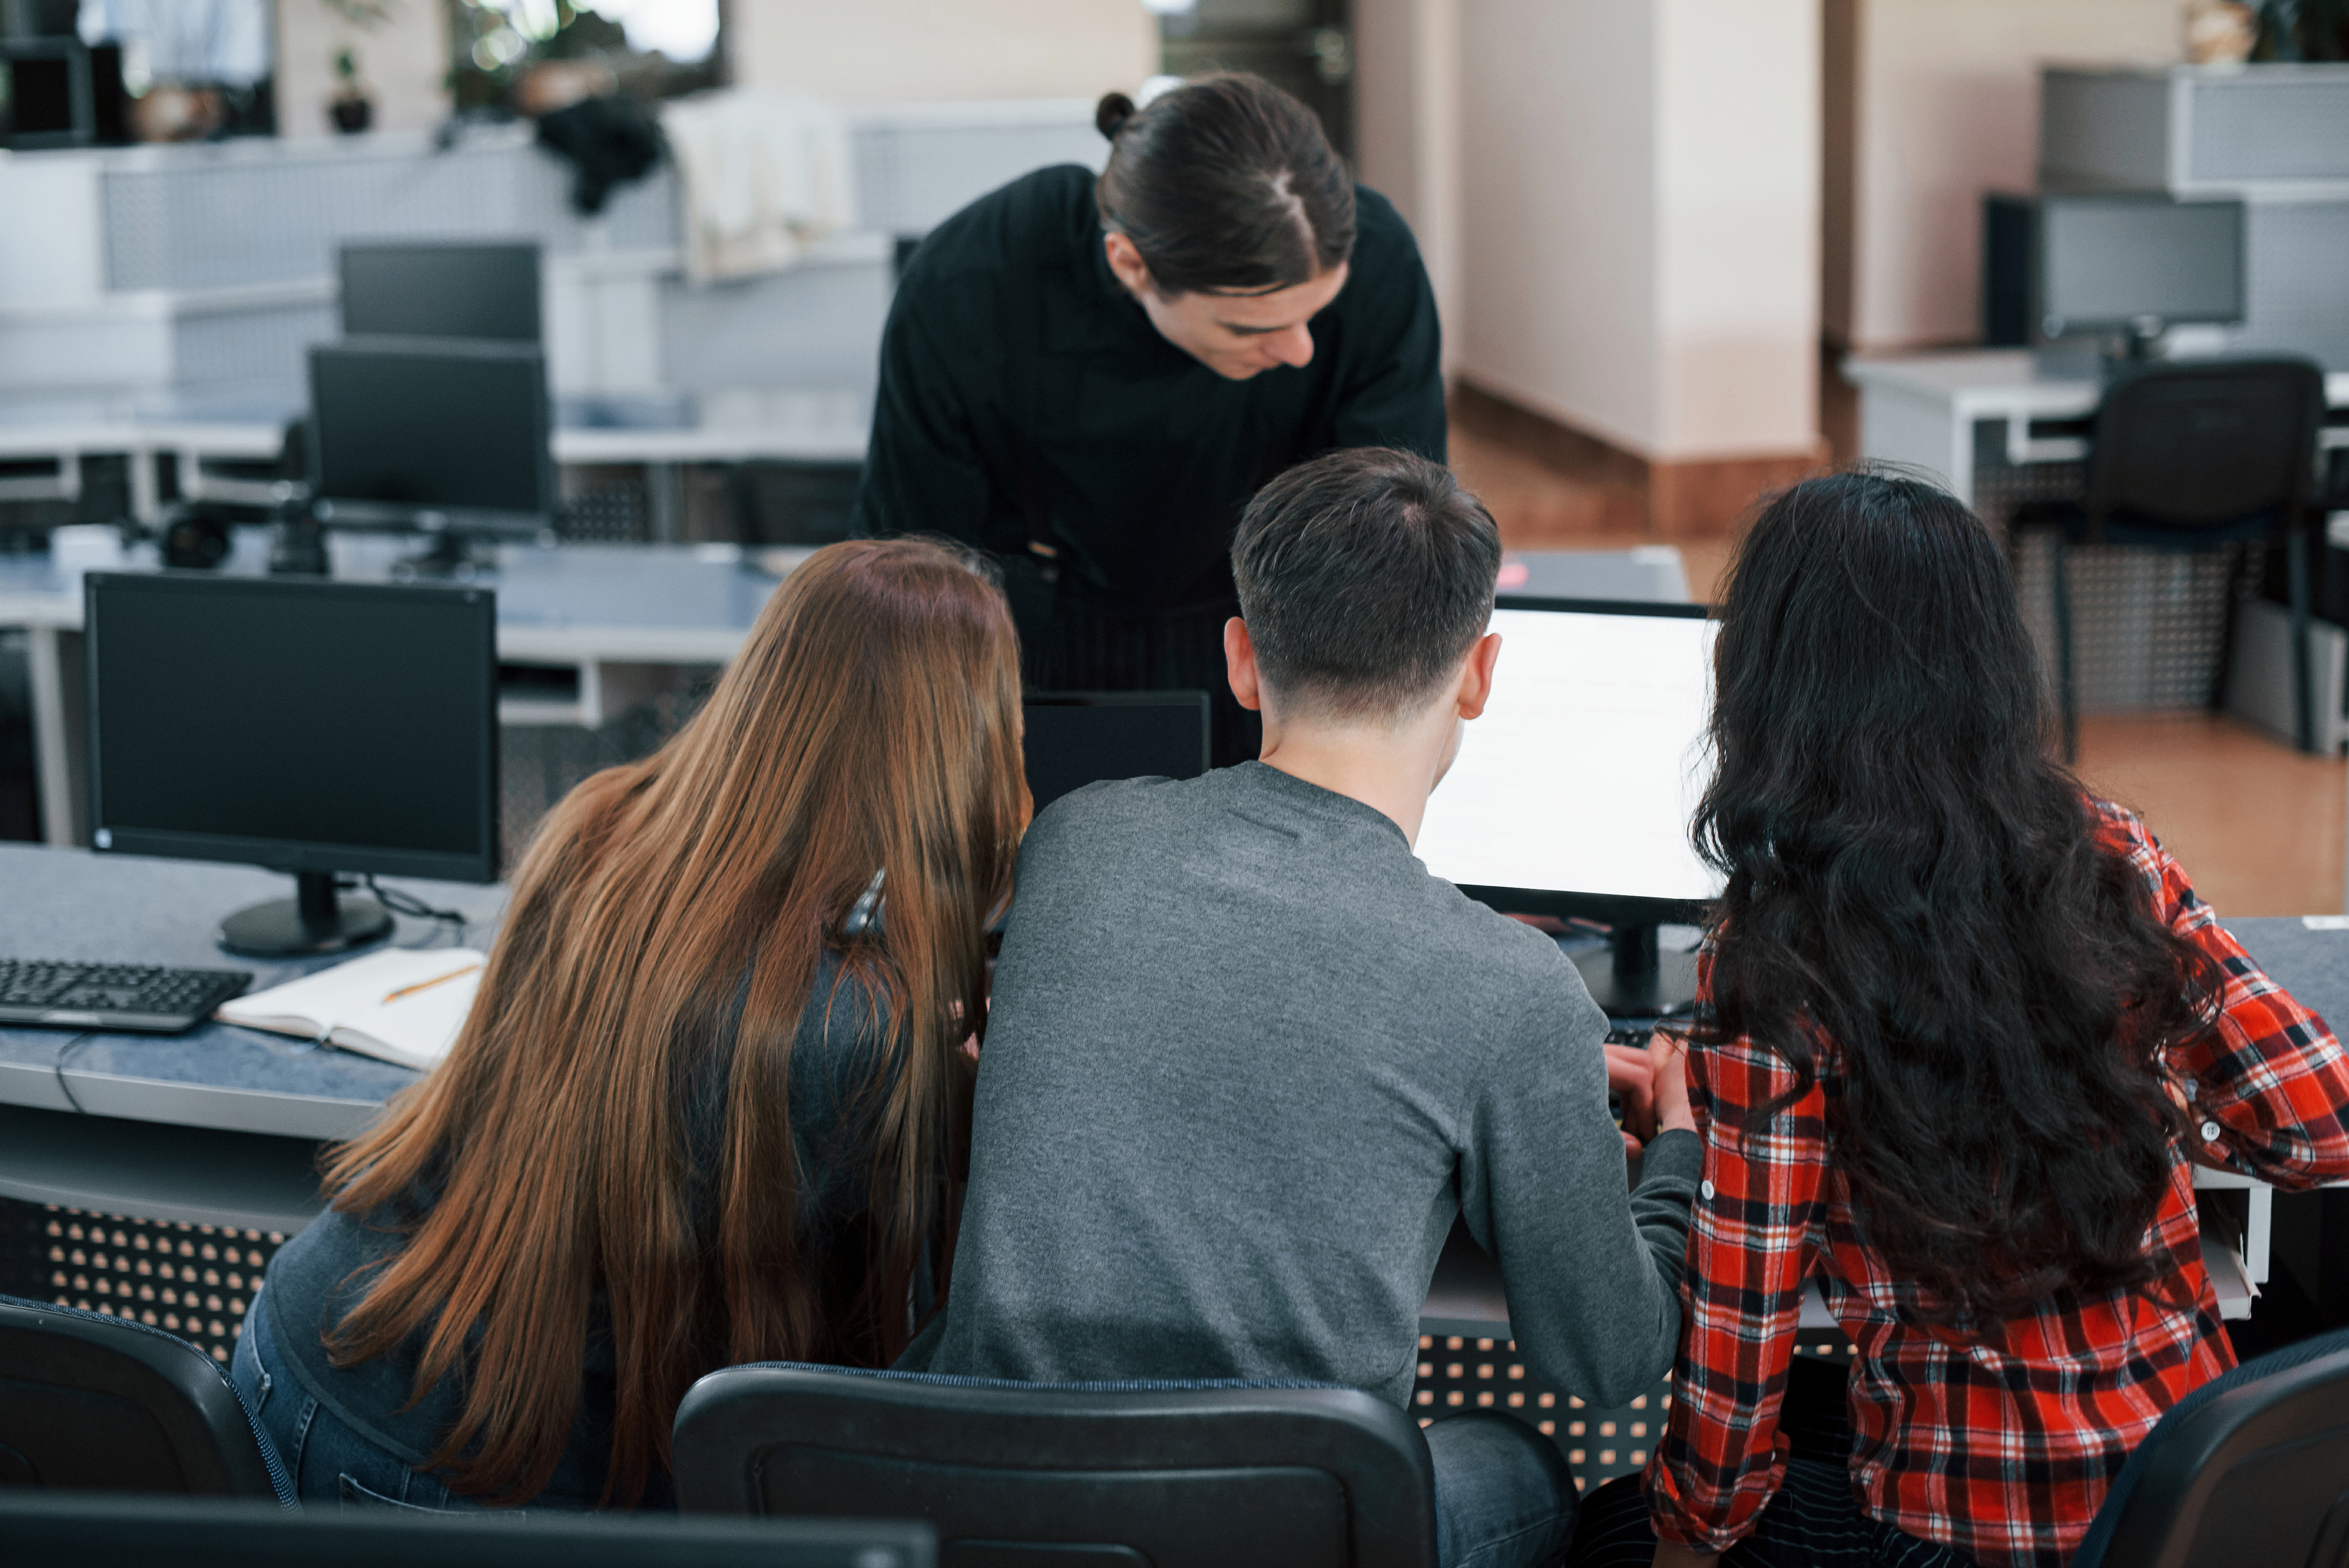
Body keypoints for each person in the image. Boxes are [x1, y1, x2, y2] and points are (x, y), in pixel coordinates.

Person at [903, 447, 1701, 1568]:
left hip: (989, 1501)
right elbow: (1607, 1361)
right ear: (1480, 674)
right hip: (1277, 1530)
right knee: (1528, 1456)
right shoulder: (1510, 989)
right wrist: (1673, 1149)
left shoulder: (1076, 840)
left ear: (1240, 656)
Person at [1562, 472, 2349, 1568]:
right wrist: (2139, 1086)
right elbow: (2318, 1127)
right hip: (2193, 1502)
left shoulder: (1779, 958)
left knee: (1601, 1520)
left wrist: (1688, 1540)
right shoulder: (2107, 851)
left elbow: (1740, 1355)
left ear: (1767, 685)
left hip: (1954, 1534)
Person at [233, 538, 1028, 1510]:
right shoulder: (857, 1029)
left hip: (302, 1345)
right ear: (964, 745)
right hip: (441, 1454)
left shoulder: (594, 822)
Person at [852, 74, 1445, 766]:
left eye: (1316, 313)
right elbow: (913, 569)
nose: (1300, 349)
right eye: (1255, 325)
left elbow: (1396, 539)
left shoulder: (1378, 263)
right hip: (1040, 640)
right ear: (1130, 264)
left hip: (1282, 645)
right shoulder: (976, 281)